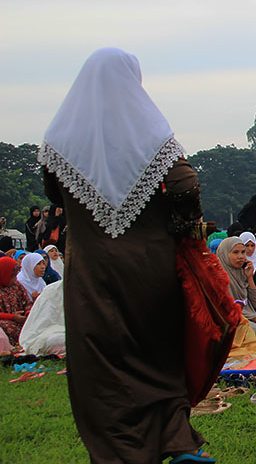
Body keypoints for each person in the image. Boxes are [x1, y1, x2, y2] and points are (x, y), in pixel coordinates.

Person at [38, 47, 212, 462]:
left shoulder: (59, 143)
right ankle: (177, 440)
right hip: (151, 272)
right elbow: (186, 184)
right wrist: (182, 225)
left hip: (91, 277)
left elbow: (52, 193)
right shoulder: (151, 136)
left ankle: (120, 453)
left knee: (101, 367)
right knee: (157, 358)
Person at [0, 256, 32, 345]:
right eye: (12, 276)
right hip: (6, 321)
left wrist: (27, 314)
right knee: (7, 327)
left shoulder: (16, 286)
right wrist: (13, 317)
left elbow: (27, 302)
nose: (15, 279)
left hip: (20, 320)